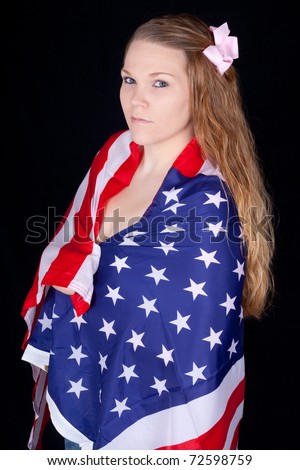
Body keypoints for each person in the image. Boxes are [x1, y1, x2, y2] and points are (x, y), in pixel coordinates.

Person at [21, 13, 275, 450]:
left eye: (160, 83)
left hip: (151, 424)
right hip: (85, 393)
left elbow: (191, 352)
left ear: (201, 91)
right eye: (129, 79)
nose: (136, 100)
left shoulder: (207, 203)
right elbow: (74, 255)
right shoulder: (114, 156)